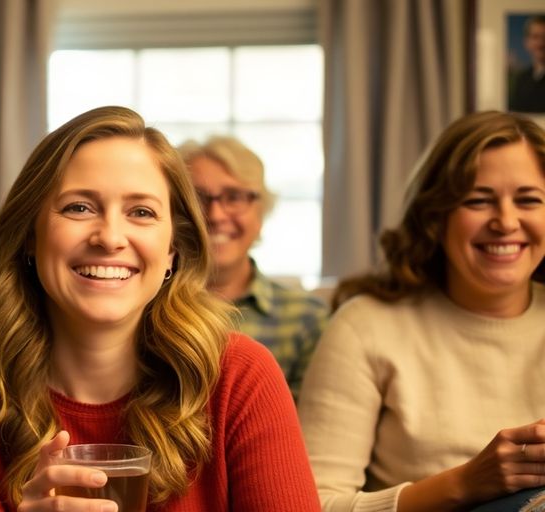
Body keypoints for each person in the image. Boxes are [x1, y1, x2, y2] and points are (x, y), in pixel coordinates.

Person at [0, 106, 320, 511]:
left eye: (141, 212)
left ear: (172, 251)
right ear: (29, 237)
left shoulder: (241, 377)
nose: (110, 238)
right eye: (78, 207)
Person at [297, 110, 545, 511]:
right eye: (478, 200)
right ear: (436, 215)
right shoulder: (365, 327)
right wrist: (464, 483)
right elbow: (310, 503)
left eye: (529, 200)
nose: (505, 221)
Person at [179, 136, 327, 400]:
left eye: (234, 197)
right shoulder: (143, 309)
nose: (215, 216)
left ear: (261, 213)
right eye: (197, 197)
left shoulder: (308, 319)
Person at [510, 15, 545, 113]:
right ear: (526, 42)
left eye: (544, 37)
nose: (541, 43)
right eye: (535, 37)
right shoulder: (522, 79)